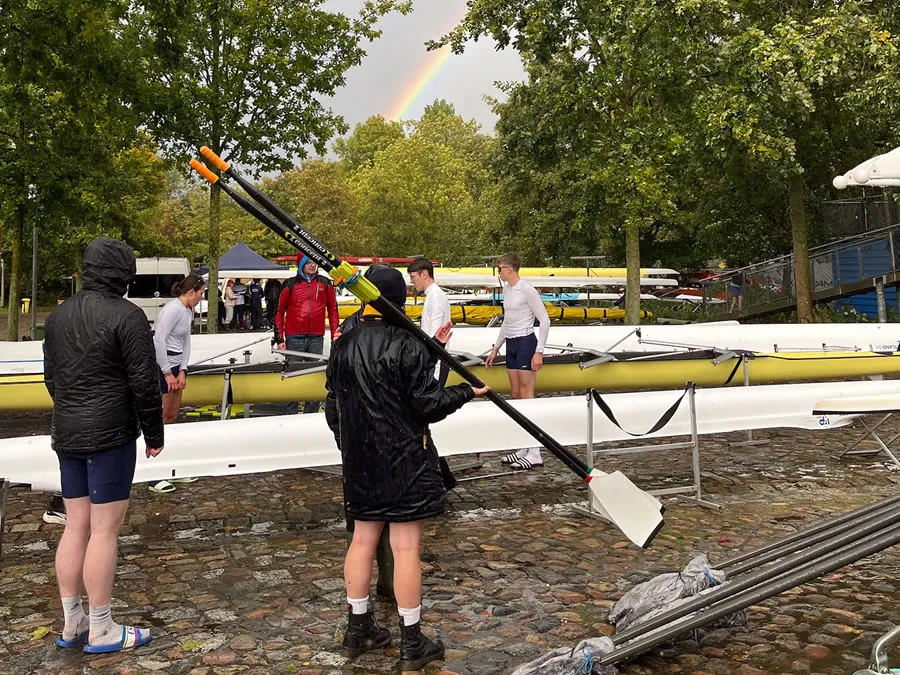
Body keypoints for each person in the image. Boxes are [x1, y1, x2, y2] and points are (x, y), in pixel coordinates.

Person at [325, 266, 488, 670]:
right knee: (406, 547)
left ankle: (357, 627)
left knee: (362, 541)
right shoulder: (406, 343)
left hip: (360, 459)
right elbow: (426, 404)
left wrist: (348, 446)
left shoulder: (344, 343)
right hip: (404, 460)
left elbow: (334, 406)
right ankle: (412, 641)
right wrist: (467, 391)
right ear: (401, 302)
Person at [43, 237, 163, 653]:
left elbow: (51, 378)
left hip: (67, 430)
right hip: (110, 433)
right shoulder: (127, 316)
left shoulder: (57, 317)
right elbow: (145, 383)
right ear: (123, 275)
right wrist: (154, 433)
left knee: (75, 524)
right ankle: (102, 626)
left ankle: (72, 620)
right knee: (105, 531)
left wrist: (70, 411)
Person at [486, 253, 551, 470]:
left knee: (526, 396)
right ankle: (524, 446)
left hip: (526, 342)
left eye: (501, 268)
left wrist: (539, 351)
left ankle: (535, 452)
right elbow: (507, 322)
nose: (499, 271)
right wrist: (496, 347)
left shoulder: (526, 289)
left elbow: (544, 320)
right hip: (512, 343)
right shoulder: (507, 289)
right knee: (515, 396)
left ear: (511, 269)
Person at [148, 273, 206, 494]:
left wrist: (183, 370)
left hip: (176, 367)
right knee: (160, 419)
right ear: (190, 292)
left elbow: (186, 341)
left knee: (172, 417)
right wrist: (167, 373)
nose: (202, 297)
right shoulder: (172, 309)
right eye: (200, 293)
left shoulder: (187, 310)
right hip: (163, 368)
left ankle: (170, 466)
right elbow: (159, 340)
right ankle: (153, 474)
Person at [275, 254, 340, 414]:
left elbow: (333, 310)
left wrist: (335, 334)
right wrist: (279, 338)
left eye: (314, 262)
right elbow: (279, 312)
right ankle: (289, 413)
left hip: (316, 336)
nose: (312, 265)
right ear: (301, 265)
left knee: (314, 374)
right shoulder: (290, 284)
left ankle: (311, 413)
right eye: (308, 262)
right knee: (292, 375)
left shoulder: (325, 283)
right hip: (294, 336)